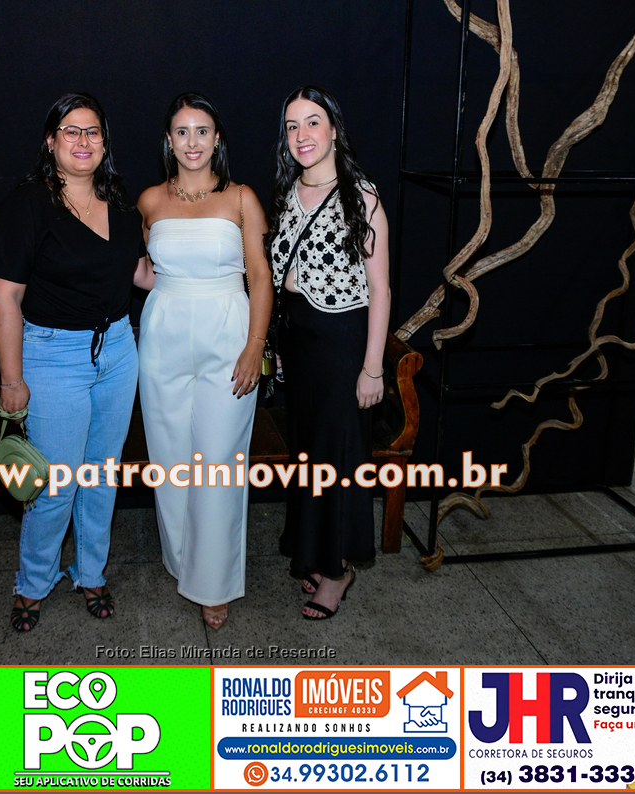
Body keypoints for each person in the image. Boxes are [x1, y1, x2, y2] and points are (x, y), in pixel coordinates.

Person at [0, 92, 154, 632]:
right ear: (50, 141)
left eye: (93, 132)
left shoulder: (121, 205)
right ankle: (33, 582)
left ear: (105, 142)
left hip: (118, 351)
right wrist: (11, 380)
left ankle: (90, 572)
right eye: (71, 131)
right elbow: (6, 297)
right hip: (52, 356)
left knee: (101, 477)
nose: (83, 141)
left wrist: (216, 271)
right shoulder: (28, 204)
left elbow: (142, 275)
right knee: (57, 484)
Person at [137, 92, 273, 630]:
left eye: (202, 131)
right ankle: (183, 563)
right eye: (181, 131)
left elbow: (259, 275)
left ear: (217, 139)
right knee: (170, 460)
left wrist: (255, 345)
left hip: (228, 335)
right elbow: (147, 271)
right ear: (168, 140)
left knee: (218, 463)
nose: (191, 142)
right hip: (163, 335)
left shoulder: (241, 198)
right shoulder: (150, 201)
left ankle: (213, 583)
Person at [266, 86, 390, 620]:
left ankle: (339, 572)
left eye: (313, 122)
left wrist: (372, 368)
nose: (302, 135)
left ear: (334, 129)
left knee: (339, 457)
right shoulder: (288, 192)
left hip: (343, 343)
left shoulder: (362, 196)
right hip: (299, 343)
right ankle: (317, 554)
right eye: (292, 125)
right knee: (310, 454)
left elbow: (381, 289)